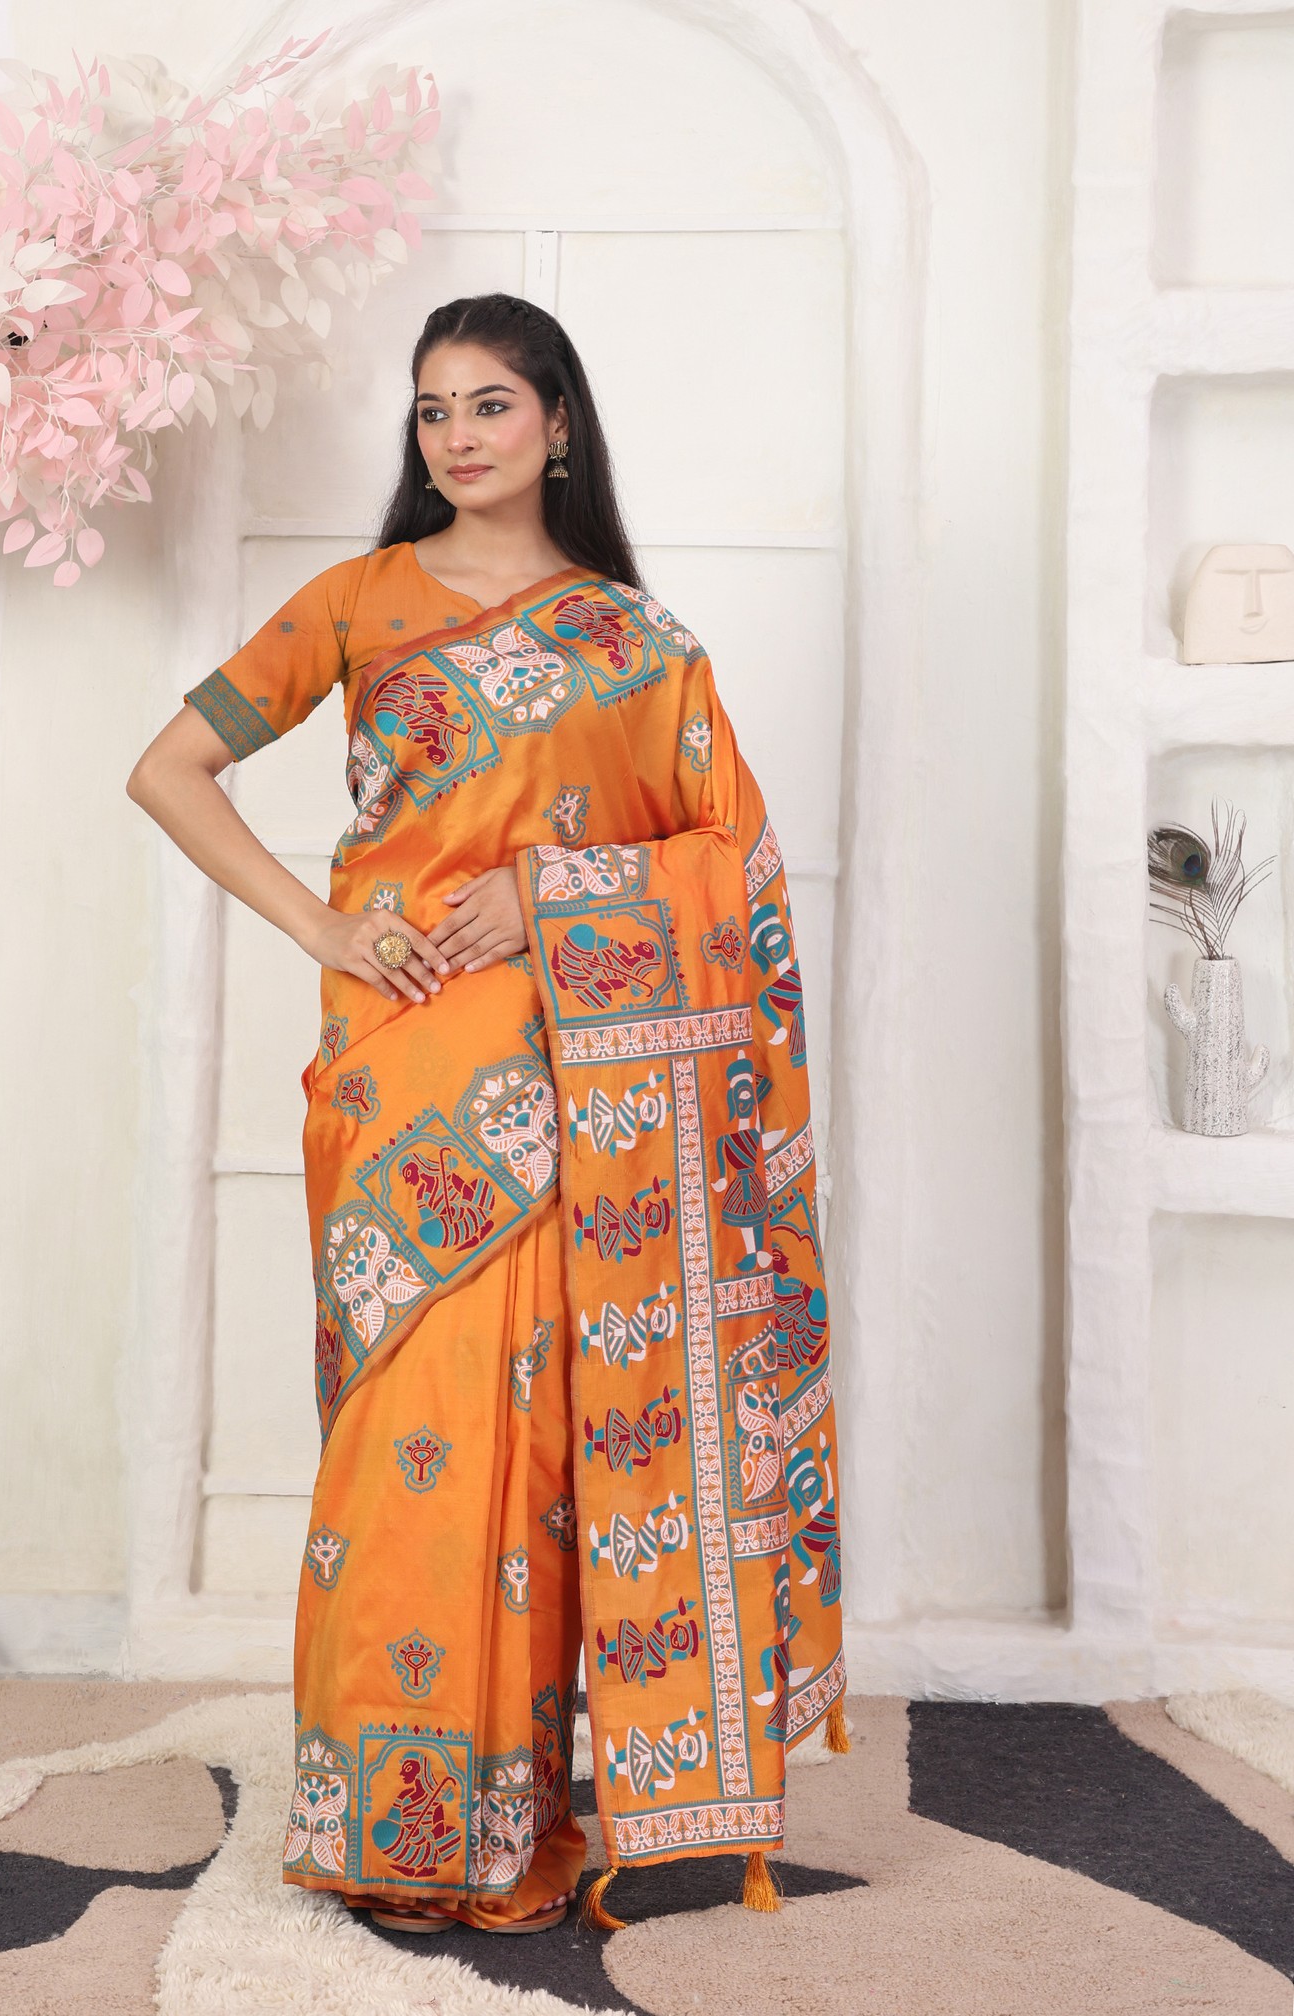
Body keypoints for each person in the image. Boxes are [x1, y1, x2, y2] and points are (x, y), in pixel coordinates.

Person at [126, 292, 848, 1938]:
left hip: (574, 1083)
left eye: (490, 405)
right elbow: (168, 768)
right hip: (402, 1078)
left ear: (558, 424)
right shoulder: (356, 601)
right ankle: (397, 1832)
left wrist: (555, 898)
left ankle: (517, 1823)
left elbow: (732, 863)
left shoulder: (640, 643)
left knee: (540, 1454)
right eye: (433, 410)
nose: (456, 436)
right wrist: (323, 928)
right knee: (411, 1441)